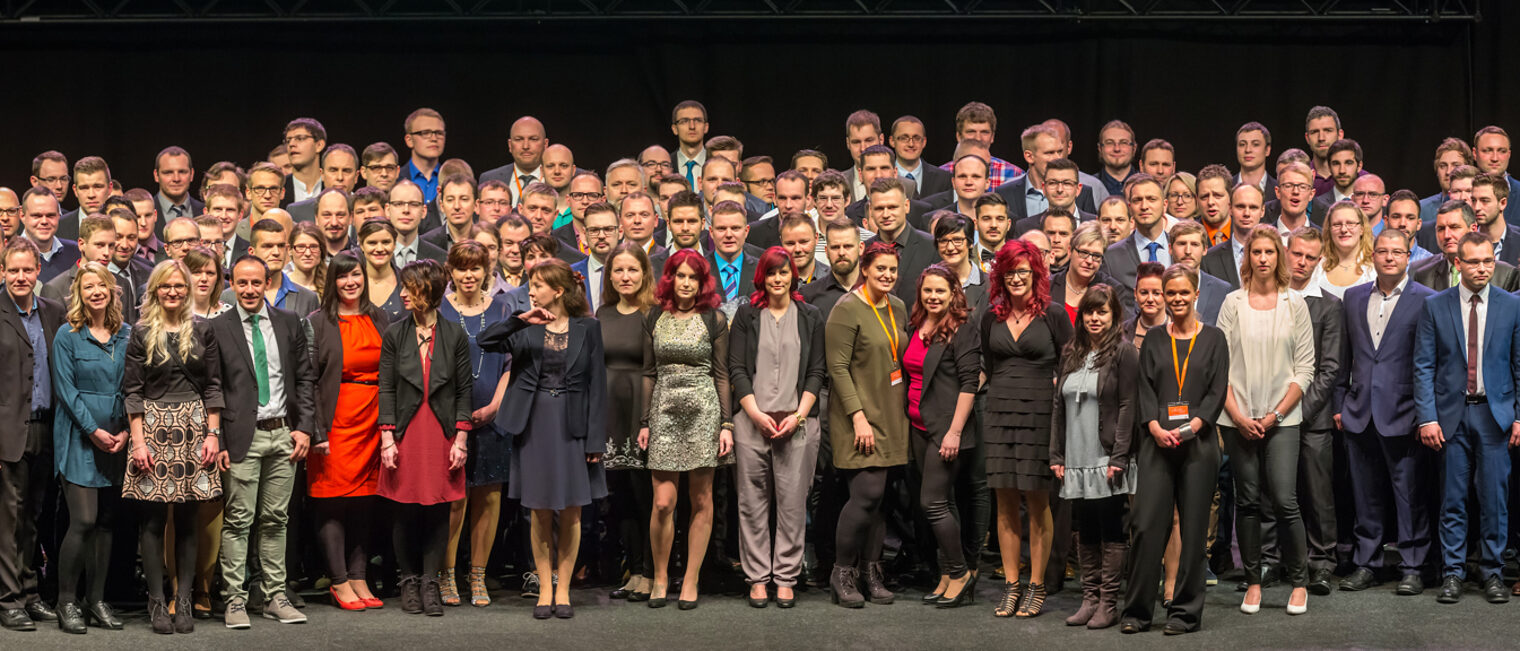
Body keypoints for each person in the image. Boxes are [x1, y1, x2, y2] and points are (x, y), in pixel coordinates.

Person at [478, 258, 608, 619]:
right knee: (538, 510)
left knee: (571, 511)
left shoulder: (588, 328)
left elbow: (597, 386)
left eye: (537, 285)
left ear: (559, 291)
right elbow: (485, 340)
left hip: (574, 426)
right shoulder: (526, 324)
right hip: (534, 423)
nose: (530, 290)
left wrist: (596, 439)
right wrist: (520, 320)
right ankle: (545, 587)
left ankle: (563, 589)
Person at [1120, 264, 1230, 635]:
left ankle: (1184, 614)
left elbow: (1217, 391)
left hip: (1198, 445)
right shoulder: (1152, 338)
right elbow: (1145, 388)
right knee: (1147, 525)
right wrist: (1153, 426)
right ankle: (1136, 611)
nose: (1178, 299)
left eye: (1185, 292)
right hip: (1156, 444)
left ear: (1196, 294)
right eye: (1171, 293)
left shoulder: (1214, 339)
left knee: (1195, 532)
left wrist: (1192, 427)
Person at [208, 255, 316, 629]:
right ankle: (235, 600)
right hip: (242, 436)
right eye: (242, 283)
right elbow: (214, 388)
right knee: (238, 520)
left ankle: (274, 595)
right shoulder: (218, 328)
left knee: (276, 519)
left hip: (284, 434)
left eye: (256, 282)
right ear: (232, 285)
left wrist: (304, 428)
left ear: (267, 282)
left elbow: (304, 378)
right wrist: (218, 437)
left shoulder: (289, 323)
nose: (250, 290)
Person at [1415, 232, 1520, 605]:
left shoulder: (1511, 305)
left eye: (1488, 261)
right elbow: (1424, 365)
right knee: (1452, 500)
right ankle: (1453, 574)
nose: (1481, 268)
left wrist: (1519, 416)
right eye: (1473, 262)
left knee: (1494, 500)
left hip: (1495, 417)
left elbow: (1518, 365)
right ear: (1458, 264)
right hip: (1450, 418)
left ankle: (1492, 573)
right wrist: (1427, 417)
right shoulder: (1435, 305)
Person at [1216, 224, 1316, 616]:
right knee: (1248, 502)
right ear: (1248, 257)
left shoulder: (1296, 304)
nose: (1262, 258)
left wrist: (1275, 415)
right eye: (1255, 252)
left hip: (1284, 419)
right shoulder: (1231, 303)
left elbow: (1304, 369)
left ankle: (1298, 582)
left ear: (1280, 257)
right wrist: (1239, 416)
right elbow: (1219, 368)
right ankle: (1253, 582)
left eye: (1269, 252)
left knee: (1285, 500)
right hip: (1237, 417)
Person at [122, 259, 224, 634]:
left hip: (194, 428)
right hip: (152, 429)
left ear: (189, 289)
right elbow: (132, 390)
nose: (174, 291)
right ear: (155, 290)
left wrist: (213, 433)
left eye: (180, 285)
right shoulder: (141, 331)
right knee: (151, 521)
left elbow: (213, 384)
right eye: (166, 285)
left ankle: (183, 601)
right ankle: (155, 600)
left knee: (187, 519)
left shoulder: (203, 329)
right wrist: (138, 441)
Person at [1336, 229, 1437, 596]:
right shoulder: (1352, 297)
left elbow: (1429, 363)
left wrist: (1425, 414)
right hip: (1359, 411)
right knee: (1365, 495)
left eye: (1397, 251)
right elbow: (1343, 358)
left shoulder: (1427, 300)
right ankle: (1367, 563)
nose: (1390, 257)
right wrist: (1339, 406)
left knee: (1409, 494)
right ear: (1372, 255)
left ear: (1409, 255)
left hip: (1404, 412)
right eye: (1383, 251)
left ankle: (1412, 565)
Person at [728, 247, 826, 608]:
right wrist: (754, 414)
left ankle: (785, 576)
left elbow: (817, 371)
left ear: (793, 276)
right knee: (751, 505)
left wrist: (798, 416)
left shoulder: (811, 315)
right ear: (762, 278)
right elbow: (736, 368)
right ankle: (757, 578)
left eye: (784, 273)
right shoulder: (746, 315)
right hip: (753, 422)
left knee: (792, 505)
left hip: (797, 424)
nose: (778, 279)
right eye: (772, 273)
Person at [638, 249, 733, 609]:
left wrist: (726, 423)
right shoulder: (653, 317)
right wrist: (644, 421)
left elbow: (722, 375)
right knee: (663, 503)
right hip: (663, 409)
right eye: (681, 276)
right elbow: (648, 373)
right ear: (670, 279)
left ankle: (691, 578)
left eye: (694, 277)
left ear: (702, 282)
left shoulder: (715, 319)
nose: (687, 283)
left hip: (703, 410)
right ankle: (661, 576)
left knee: (701, 499)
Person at [377, 260, 473, 616]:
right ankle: (409, 581)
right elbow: (385, 388)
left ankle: (431, 580)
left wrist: (461, 439)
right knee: (404, 508)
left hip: (442, 431)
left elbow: (465, 390)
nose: (402, 293)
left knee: (437, 508)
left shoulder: (454, 334)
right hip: (405, 430)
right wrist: (387, 438)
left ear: (428, 291)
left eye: (409, 287)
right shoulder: (394, 333)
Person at [983, 238, 1071, 618]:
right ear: (1000, 275)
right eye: (1009, 272)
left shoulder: (1053, 315)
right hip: (1000, 413)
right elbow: (989, 364)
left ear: (1036, 274)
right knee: (1004, 504)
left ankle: (1036, 585)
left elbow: (1069, 364)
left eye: (1023, 271)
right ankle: (1010, 584)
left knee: (1037, 502)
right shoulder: (990, 316)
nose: (1016, 278)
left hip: (1040, 414)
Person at [823, 242, 907, 608]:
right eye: (880, 269)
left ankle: (873, 573)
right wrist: (858, 417)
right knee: (865, 495)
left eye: (892, 269)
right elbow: (837, 369)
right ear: (865, 269)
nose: (886, 276)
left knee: (881, 501)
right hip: (857, 417)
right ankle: (842, 572)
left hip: (892, 414)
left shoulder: (899, 307)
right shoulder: (846, 310)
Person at [1051, 283, 1137, 629]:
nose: (1095, 318)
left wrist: (1119, 457)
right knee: (1084, 526)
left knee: (1110, 526)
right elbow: (1058, 405)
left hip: (1105, 455)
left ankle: (1108, 602)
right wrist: (1056, 454)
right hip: (1075, 455)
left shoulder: (1124, 352)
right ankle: (1089, 599)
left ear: (1114, 316)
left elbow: (1130, 405)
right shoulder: (1071, 351)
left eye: (1102, 312)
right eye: (1089, 312)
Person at [50, 262, 130, 634]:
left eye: (102, 285)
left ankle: (96, 600)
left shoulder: (127, 334)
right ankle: (67, 600)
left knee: (105, 523)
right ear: (79, 294)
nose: (96, 291)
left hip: (118, 439)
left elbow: (135, 388)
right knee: (82, 520)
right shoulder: (68, 335)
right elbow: (66, 392)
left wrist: (127, 431)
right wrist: (93, 429)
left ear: (112, 290)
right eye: (88, 287)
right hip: (80, 437)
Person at [307, 252, 387, 611]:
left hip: (373, 419)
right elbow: (306, 380)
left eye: (356, 274)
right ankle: (338, 580)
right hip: (334, 420)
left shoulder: (380, 317)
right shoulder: (318, 322)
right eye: (342, 277)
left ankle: (359, 576)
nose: (350, 282)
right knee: (332, 500)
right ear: (332, 282)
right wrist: (316, 428)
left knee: (365, 502)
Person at [434, 241, 512, 607]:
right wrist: (457, 413)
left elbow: (514, 363)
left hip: (493, 416)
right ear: (450, 271)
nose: (468, 276)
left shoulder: (502, 308)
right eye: (461, 268)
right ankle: (446, 575)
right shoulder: (440, 309)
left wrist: (496, 405)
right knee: (454, 499)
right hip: (449, 419)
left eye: (475, 268)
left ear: (486, 271)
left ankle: (477, 576)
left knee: (489, 497)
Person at [903, 264, 980, 608]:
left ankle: (962, 572)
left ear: (954, 294)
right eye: (928, 290)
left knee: (931, 503)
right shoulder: (917, 323)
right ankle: (948, 573)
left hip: (946, 429)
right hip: (919, 426)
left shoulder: (962, 329)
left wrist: (954, 432)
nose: (933, 297)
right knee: (944, 502)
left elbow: (969, 383)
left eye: (940, 291)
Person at [596, 243, 657, 602]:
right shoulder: (602, 314)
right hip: (610, 418)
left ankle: (652, 571)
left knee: (647, 497)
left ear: (645, 273)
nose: (625, 277)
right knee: (621, 501)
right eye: (618, 270)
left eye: (632, 270)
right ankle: (633, 571)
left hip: (642, 416)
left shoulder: (655, 314)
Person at [1313, 201, 1376, 299]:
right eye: (1337, 224)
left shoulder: (1374, 269)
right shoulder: (1317, 268)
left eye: (1350, 223)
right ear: (1329, 230)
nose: (1343, 230)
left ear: (1362, 229)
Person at [359, 219, 407, 320]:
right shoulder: (349, 283)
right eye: (372, 243)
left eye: (386, 242)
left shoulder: (408, 283)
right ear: (361, 245)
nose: (380, 249)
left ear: (394, 244)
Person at [1123, 262, 1167, 349]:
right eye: (1144, 293)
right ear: (1135, 294)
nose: (1150, 299)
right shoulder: (1121, 333)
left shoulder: (1181, 329)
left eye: (1156, 293)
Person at [287, 221, 328, 295]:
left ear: (321, 250)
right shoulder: (282, 286)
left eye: (313, 247)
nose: (308, 253)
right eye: (301, 247)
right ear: (290, 250)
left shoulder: (332, 287)